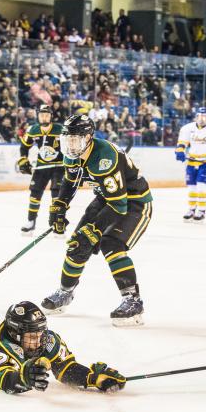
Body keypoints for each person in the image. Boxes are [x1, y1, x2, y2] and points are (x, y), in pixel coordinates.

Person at [43, 115, 152, 327]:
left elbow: (119, 205)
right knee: (78, 244)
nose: (71, 145)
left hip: (134, 202)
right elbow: (70, 181)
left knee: (111, 244)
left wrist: (94, 229)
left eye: (76, 139)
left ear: (89, 137)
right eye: (68, 139)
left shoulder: (104, 157)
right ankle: (65, 293)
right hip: (106, 199)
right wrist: (59, 206)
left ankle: (133, 300)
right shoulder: (72, 154)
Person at [17, 104, 64, 234]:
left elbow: (71, 146)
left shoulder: (61, 130)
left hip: (59, 166)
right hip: (41, 165)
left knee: (57, 192)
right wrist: (23, 160)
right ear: (38, 116)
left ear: (51, 116)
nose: (44, 117)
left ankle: (58, 221)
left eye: (47, 115)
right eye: (42, 115)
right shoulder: (33, 130)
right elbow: (24, 146)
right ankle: (31, 221)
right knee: (35, 193)